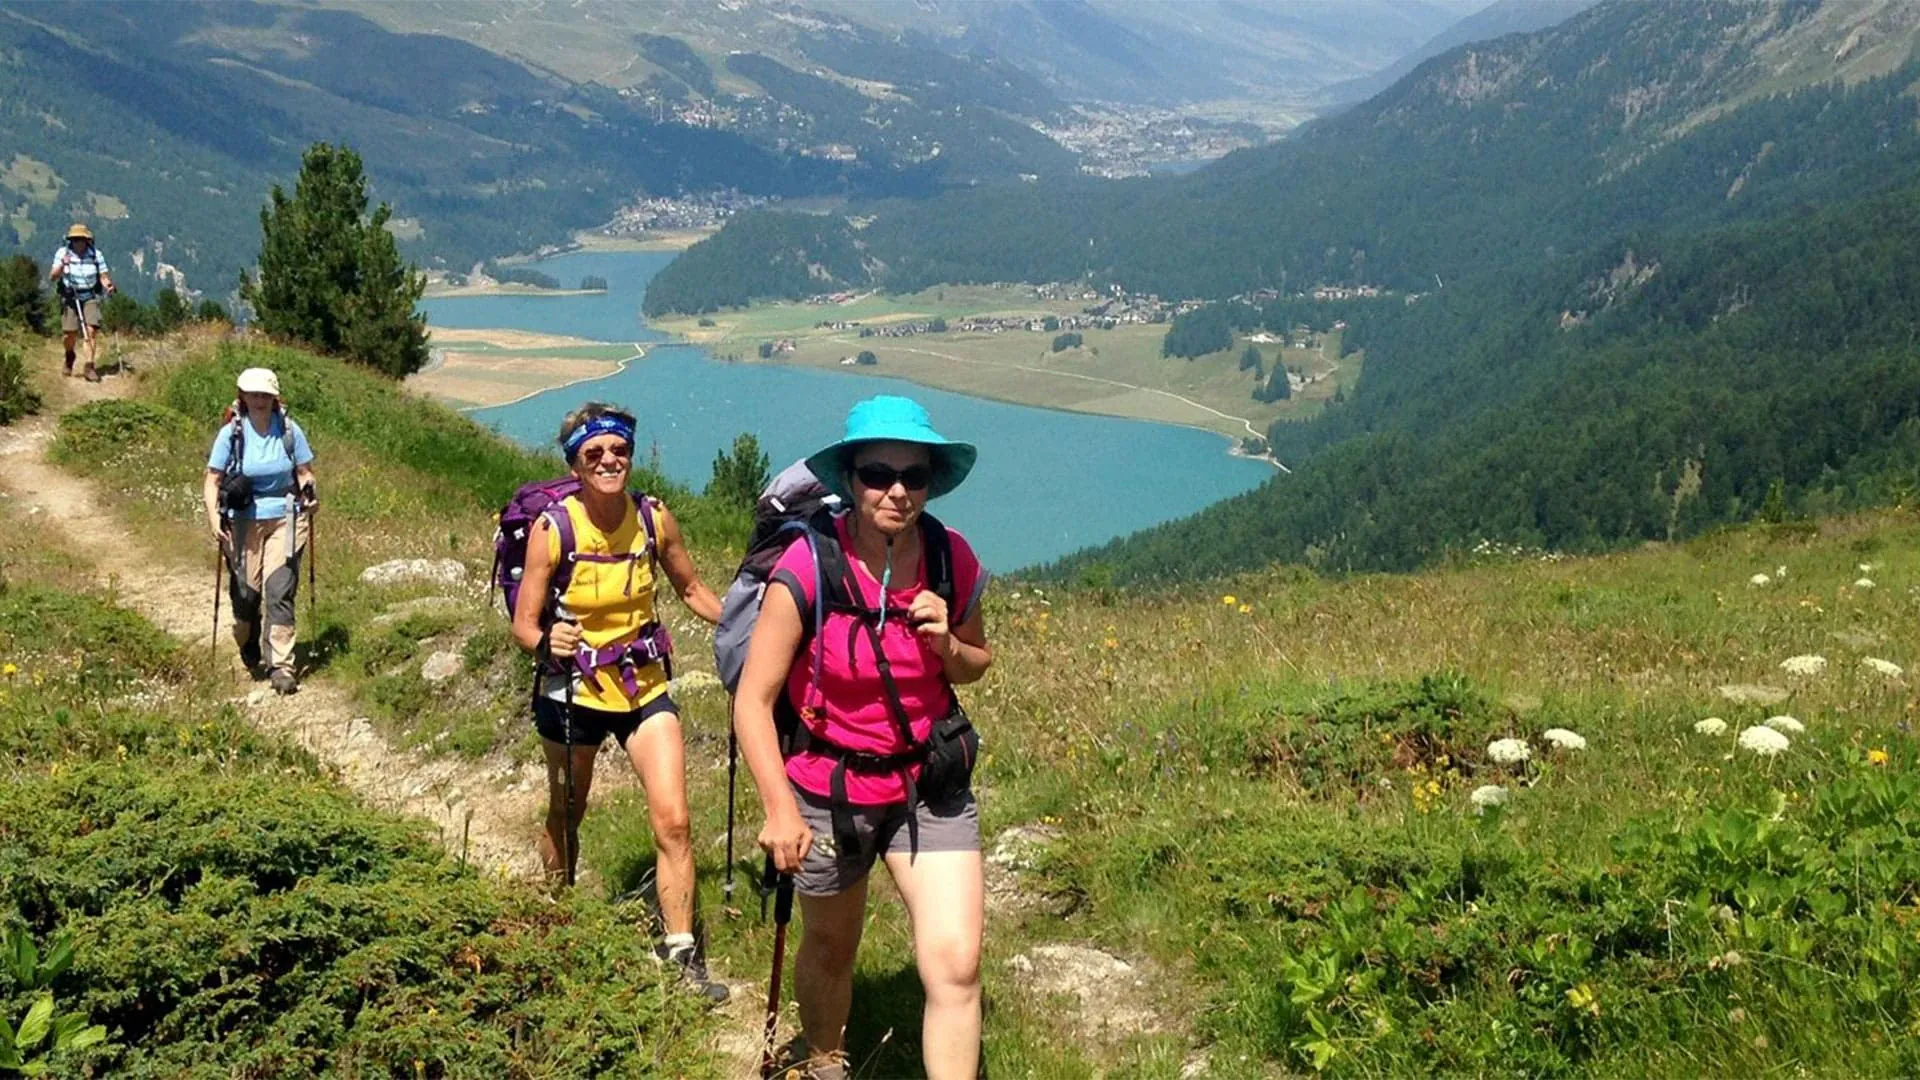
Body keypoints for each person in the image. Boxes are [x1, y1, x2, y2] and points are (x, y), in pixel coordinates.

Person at [734, 395, 992, 1080]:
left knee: (957, 963)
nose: (897, 491)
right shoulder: (807, 567)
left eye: (915, 476)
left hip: (927, 781)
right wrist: (779, 809)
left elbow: (977, 662)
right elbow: (753, 701)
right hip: (826, 790)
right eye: (878, 474)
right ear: (849, 480)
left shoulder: (950, 557)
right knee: (830, 948)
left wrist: (947, 646)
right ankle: (825, 1063)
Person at [509, 403, 730, 1002]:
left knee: (675, 820)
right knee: (567, 813)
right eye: (594, 453)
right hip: (572, 692)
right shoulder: (553, 529)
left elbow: (691, 587)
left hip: (643, 688)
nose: (609, 461)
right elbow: (524, 623)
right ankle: (556, 921)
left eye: (619, 451)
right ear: (575, 465)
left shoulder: (654, 518)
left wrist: (748, 624)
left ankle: (680, 956)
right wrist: (545, 641)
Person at [202, 367, 317, 695]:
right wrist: (214, 519)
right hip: (242, 521)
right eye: (253, 394)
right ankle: (248, 639)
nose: (259, 400)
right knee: (246, 595)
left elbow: (305, 472)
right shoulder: (232, 433)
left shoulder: (289, 430)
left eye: (265, 395)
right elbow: (212, 480)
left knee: (280, 589)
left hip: (286, 517)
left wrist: (310, 492)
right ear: (243, 396)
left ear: (274, 397)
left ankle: (281, 665)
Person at [47, 223, 114, 381]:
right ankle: (69, 355)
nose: (78, 242)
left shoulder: (96, 255)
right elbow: (53, 276)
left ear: (87, 240)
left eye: (81, 239)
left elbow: (103, 276)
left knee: (91, 330)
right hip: (70, 296)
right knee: (69, 333)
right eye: (75, 239)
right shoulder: (62, 253)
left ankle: (89, 366)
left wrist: (108, 286)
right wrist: (63, 264)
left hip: (89, 295)